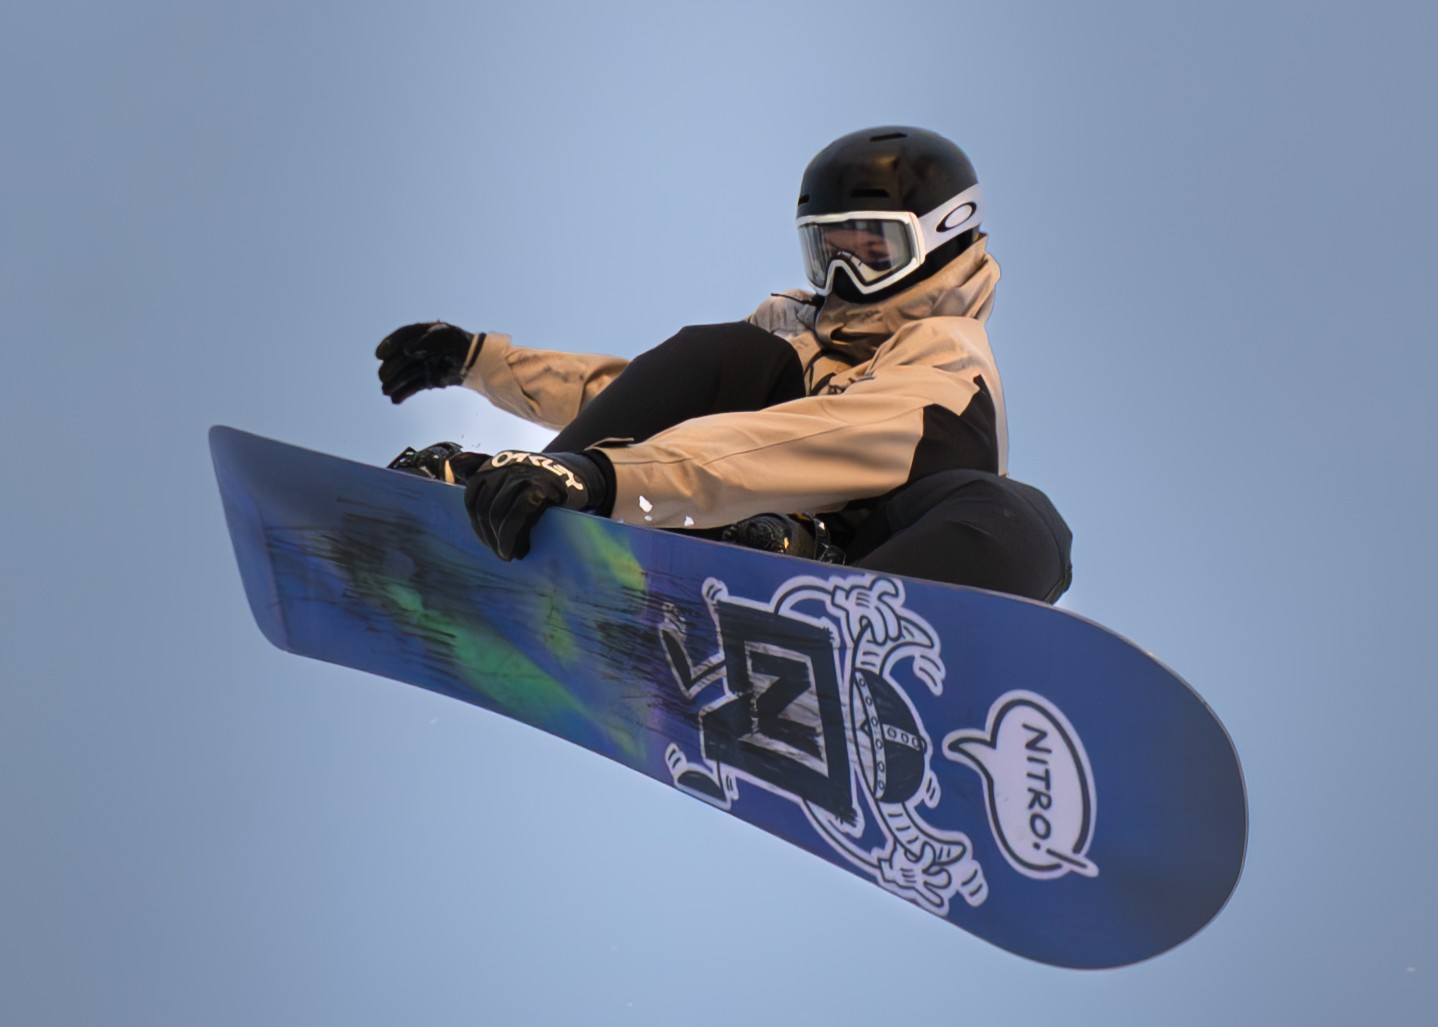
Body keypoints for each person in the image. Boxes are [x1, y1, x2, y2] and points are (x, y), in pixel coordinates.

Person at [376, 126, 1073, 603]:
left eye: (873, 251)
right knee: (721, 354)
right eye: (828, 252)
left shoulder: (946, 359)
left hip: (866, 570)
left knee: (1027, 521)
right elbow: (634, 394)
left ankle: (837, 624)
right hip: (717, 517)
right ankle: (519, 517)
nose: (844, 276)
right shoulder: (785, 339)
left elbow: (802, 441)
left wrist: (609, 478)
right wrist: (479, 361)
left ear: (941, 240)